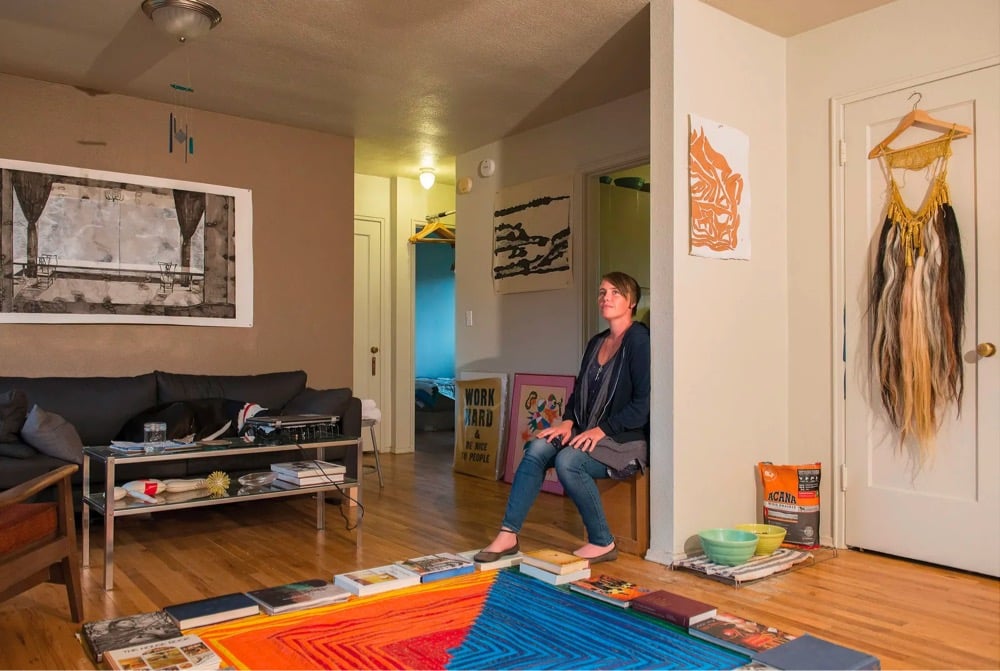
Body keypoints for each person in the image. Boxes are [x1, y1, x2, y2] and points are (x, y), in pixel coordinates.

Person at [474, 271, 650, 564]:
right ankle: (508, 534)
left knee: (568, 461)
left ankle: (603, 541)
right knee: (537, 448)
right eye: (602, 292)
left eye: (615, 293)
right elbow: (580, 391)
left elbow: (642, 405)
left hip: (623, 440)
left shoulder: (639, 341)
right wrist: (568, 421)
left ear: (631, 301)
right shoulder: (597, 342)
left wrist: (601, 430)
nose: (606, 298)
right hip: (586, 431)